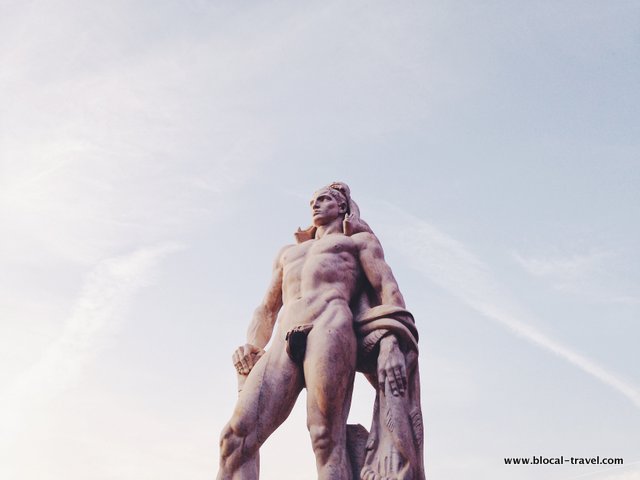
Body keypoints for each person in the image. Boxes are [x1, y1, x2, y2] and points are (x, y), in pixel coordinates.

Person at [217, 182, 424, 480]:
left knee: (326, 438)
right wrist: (252, 345)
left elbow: (387, 291)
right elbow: (267, 308)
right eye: (312, 201)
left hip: (329, 327)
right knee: (235, 438)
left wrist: (392, 342)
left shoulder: (358, 243)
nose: (315, 204)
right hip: (282, 340)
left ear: (341, 206)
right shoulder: (288, 254)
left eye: (324, 199)